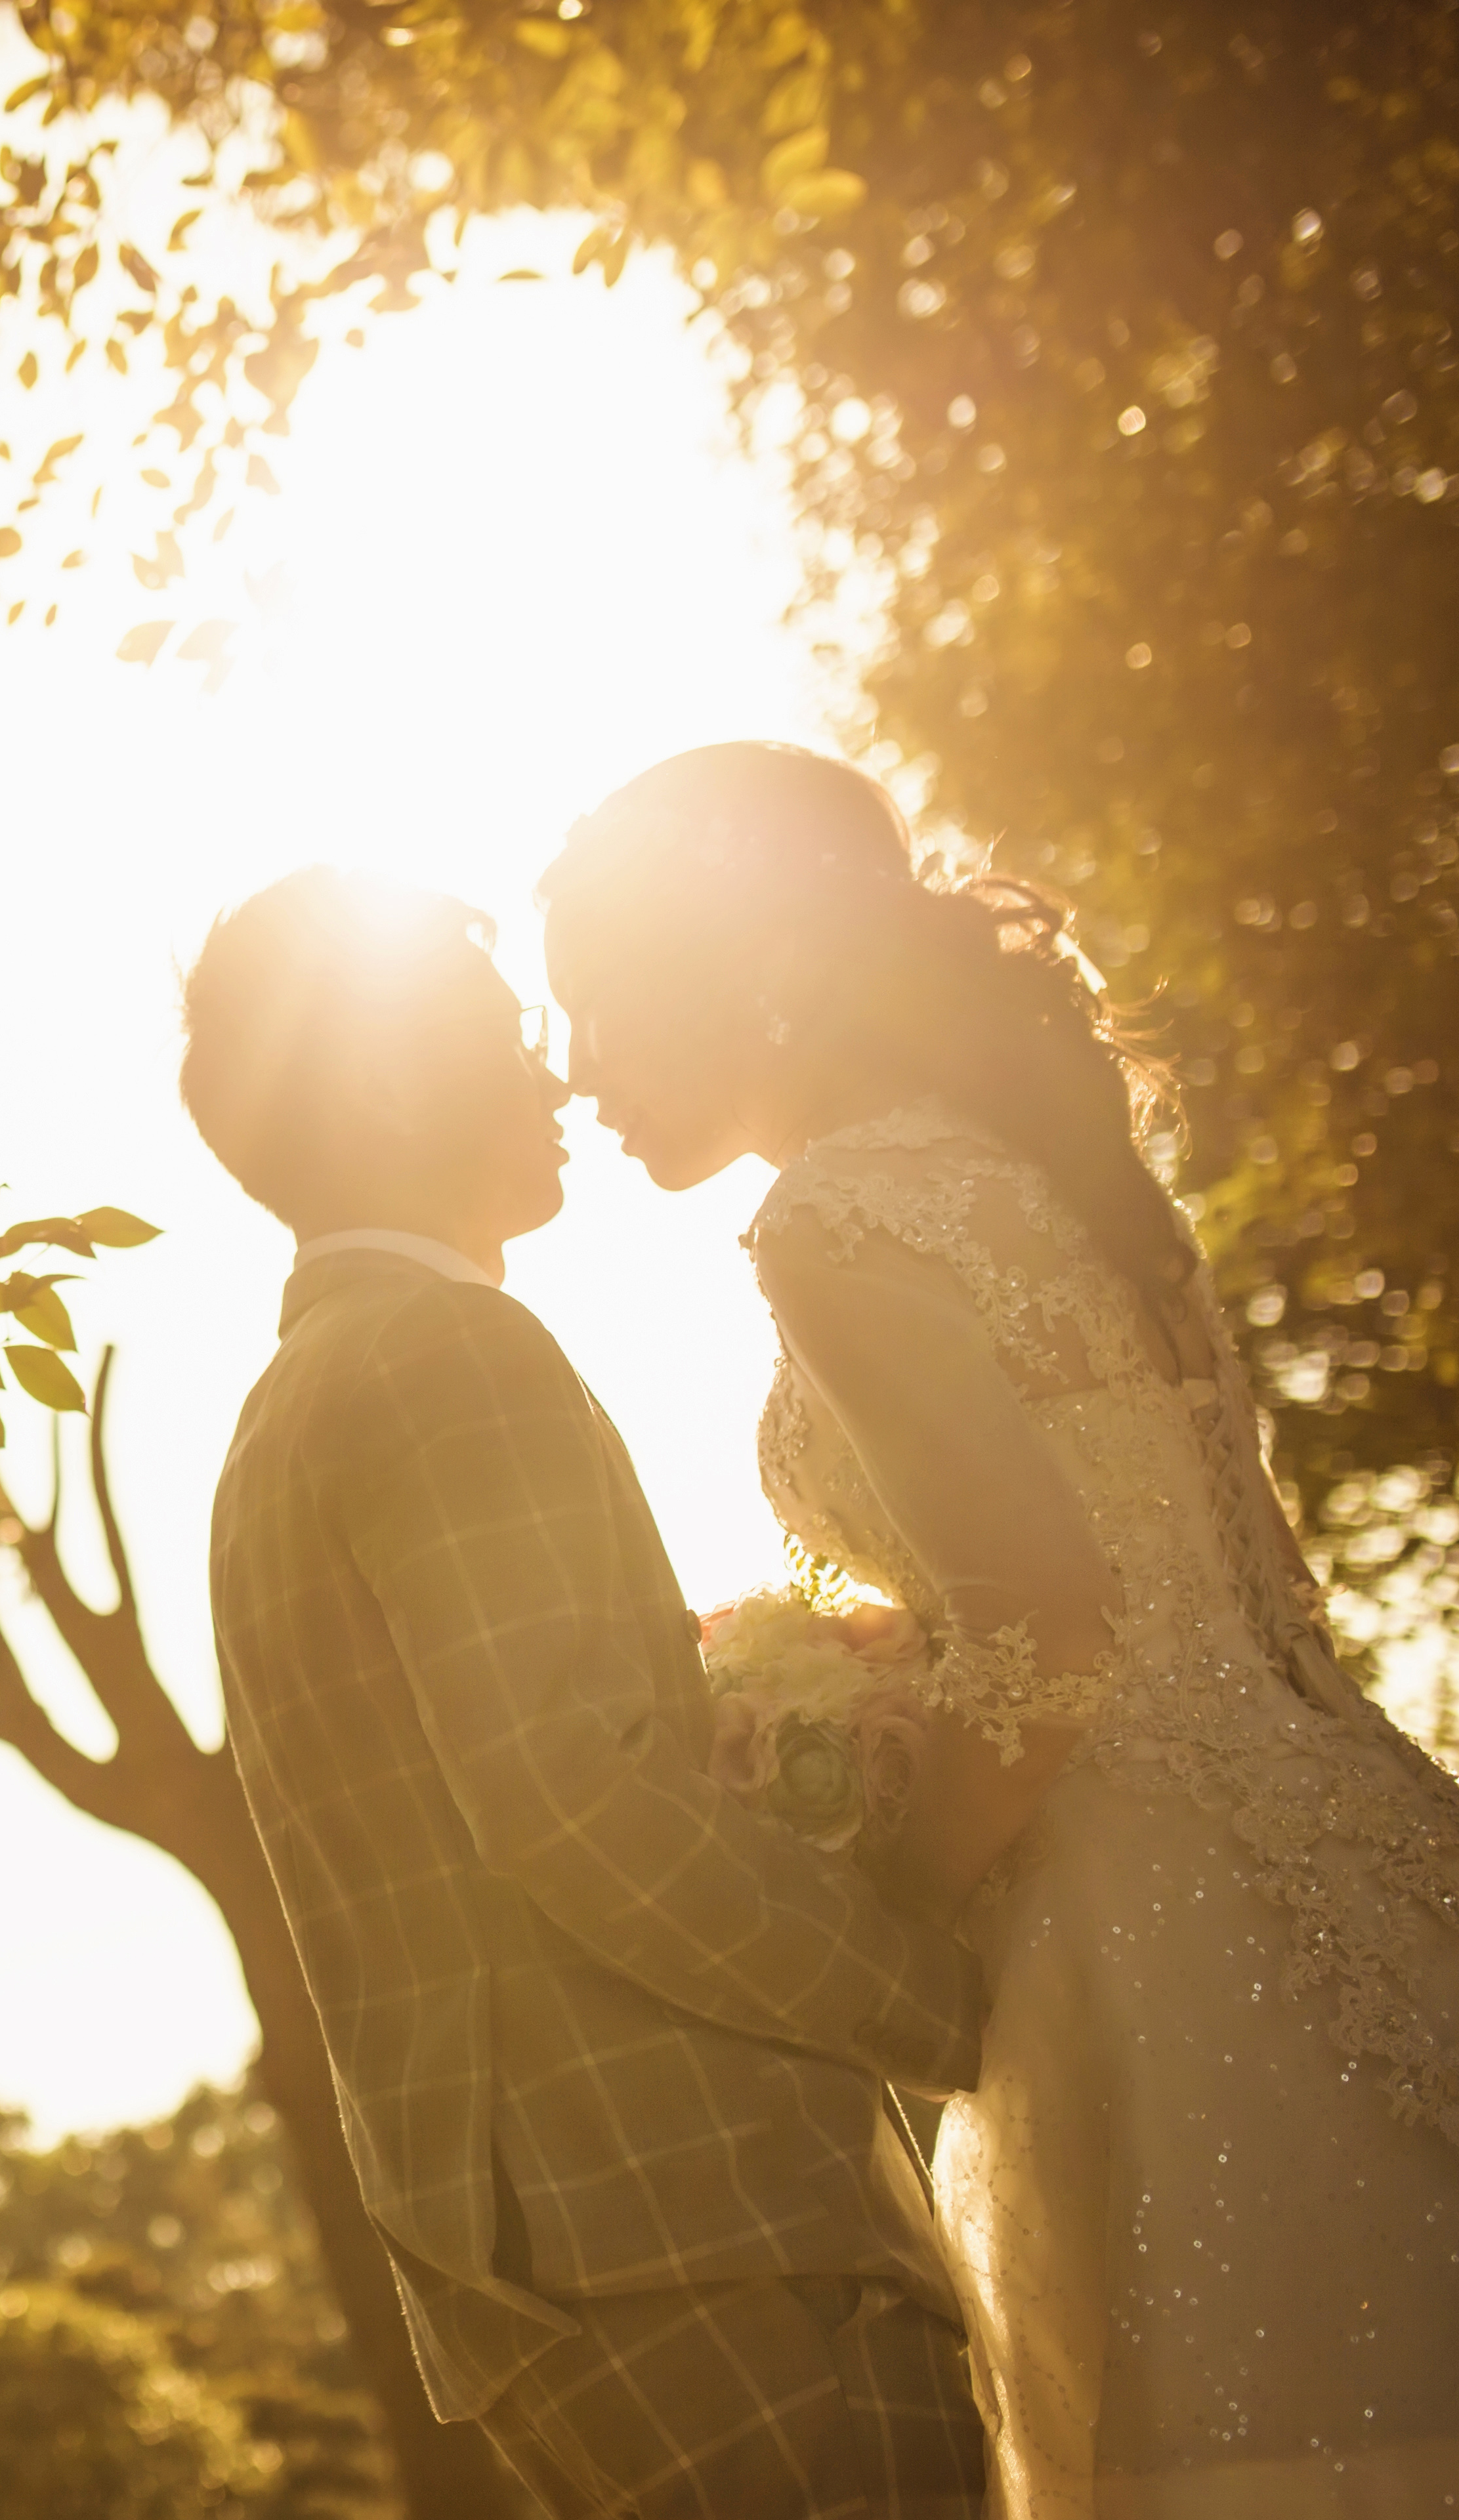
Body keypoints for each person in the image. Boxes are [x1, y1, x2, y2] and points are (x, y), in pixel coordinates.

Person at [541, 740, 1459, 2517]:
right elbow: (1267, 1610)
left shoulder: (835, 1218)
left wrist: (870, 1887)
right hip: (1423, 1890)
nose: (577, 1077)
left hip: (1167, 1967)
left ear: (755, 974)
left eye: (605, 1010)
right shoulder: (1064, 1180)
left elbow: (1045, 1636)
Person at [187, 868, 990, 2519]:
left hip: (547, 2261)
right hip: (700, 2223)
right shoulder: (447, 1355)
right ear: (398, 1082)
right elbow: (573, 1796)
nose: (556, 1078)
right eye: (506, 1038)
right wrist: (939, 2000)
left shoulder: (284, 1415)